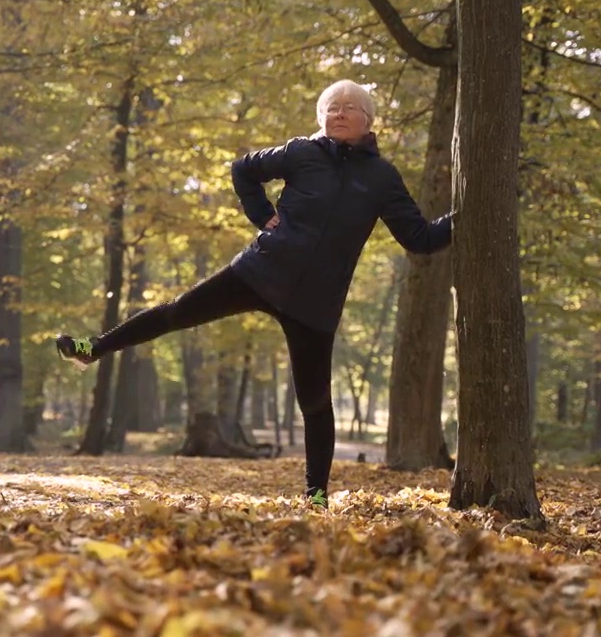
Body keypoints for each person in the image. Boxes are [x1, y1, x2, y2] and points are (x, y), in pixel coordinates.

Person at [55, 79, 453, 509]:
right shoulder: (301, 152)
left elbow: (420, 238)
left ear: (368, 121)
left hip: (315, 304)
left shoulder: (381, 178)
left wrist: (468, 213)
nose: (339, 113)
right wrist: (262, 215)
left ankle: (316, 496)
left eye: (350, 108)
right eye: (331, 107)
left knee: (315, 401)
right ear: (321, 117)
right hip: (259, 272)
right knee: (176, 312)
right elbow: (244, 169)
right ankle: (94, 347)